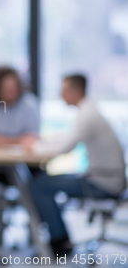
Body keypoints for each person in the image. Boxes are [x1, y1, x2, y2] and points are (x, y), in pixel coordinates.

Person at [26, 74, 126, 256]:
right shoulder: (88, 111)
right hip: (103, 176)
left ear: (76, 91)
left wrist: (34, 146)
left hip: (102, 182)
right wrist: (40, 141)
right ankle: (58, 237)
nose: (60, 95)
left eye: (63, 91)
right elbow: (67, 138)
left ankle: (59, 241)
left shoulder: (87, 115)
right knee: (42, 182)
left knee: (39, 185)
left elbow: (64, 148)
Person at [0, 66, 40, 147]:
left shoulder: (29, 103)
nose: (10, 93)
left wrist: (2, 140)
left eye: (13, 88)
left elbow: (32, 137)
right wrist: (18, 140)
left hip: (23, 156)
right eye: (5, 89)